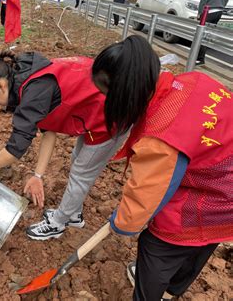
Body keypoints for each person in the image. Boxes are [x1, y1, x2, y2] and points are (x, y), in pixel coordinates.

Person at [91, 35, 232, 301]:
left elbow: (148, 191)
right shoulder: (191, 81)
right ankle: (171, 291)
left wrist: (122, 221)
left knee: (158, 244)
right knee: (199, 243)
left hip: (218, 198)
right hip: (223, 186)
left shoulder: (162, 132)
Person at [0, 51, 127, 240]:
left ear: (0, 85)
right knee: (77, 160)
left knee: (81, 174)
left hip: (112, 116)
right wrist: (38, 176)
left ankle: (58, 223)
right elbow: (49, 130)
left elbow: (14, 150)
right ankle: (73, 214)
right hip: (94, 109)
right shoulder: (25, 75)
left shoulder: (33, 93)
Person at [196, 0, 232, 65]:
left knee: (201, 34)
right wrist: (222, 6)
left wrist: (200, 11)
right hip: (219, 11)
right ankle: (201, 58)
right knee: (208, 35)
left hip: (209, 10)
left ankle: (199, 58)